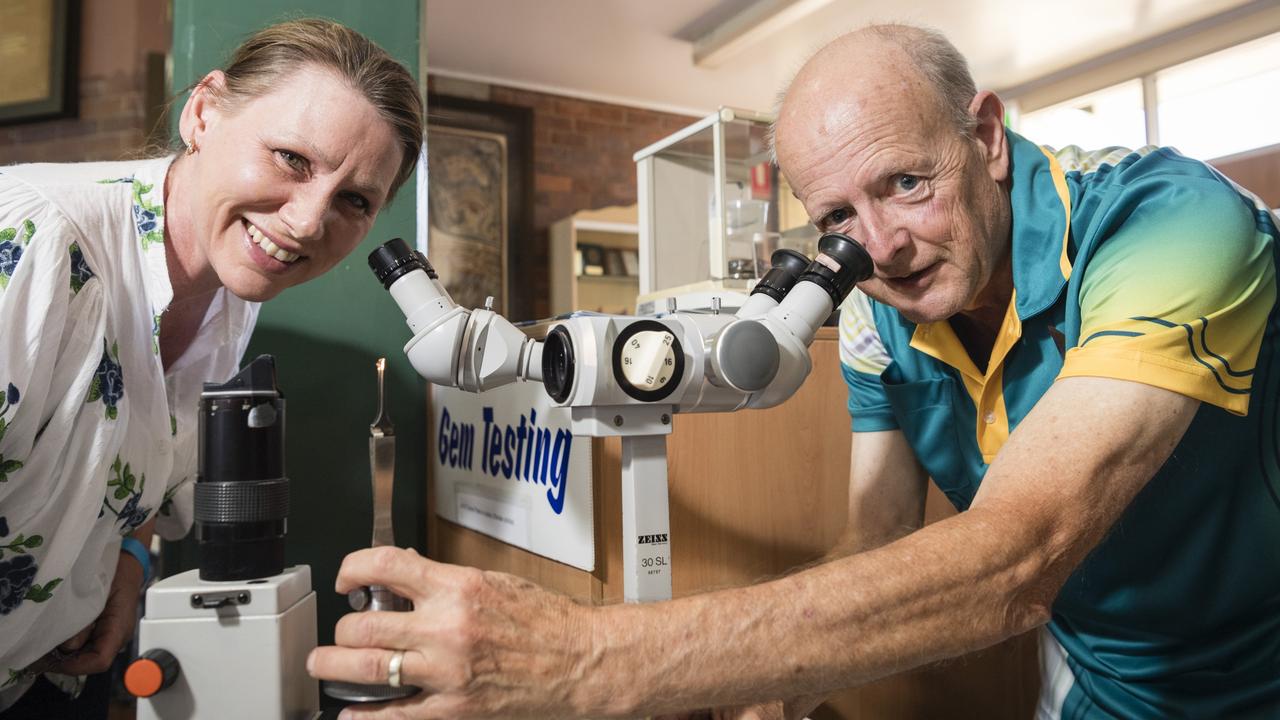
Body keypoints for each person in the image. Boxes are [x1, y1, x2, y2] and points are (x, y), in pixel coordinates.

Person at [306, 22, 1280, 720]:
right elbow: (877, 525)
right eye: (839, 220)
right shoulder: (877, 313)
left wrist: (589, 656)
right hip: (1099, 678)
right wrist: (769, 673)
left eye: (906, 182)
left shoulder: (1170, 225)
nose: (881, 246)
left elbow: (1015, 559)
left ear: (982, 135)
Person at [0, 17, 422, 715]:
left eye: (354, 201)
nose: (308, 221)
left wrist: (129, 565)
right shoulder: (31, 245)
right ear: (203, 112)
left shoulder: (231, 289)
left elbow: (134, 442)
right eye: (292, 158)